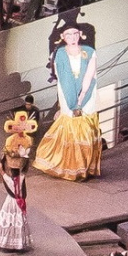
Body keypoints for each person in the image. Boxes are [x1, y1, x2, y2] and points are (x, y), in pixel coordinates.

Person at [34, 19, 101, 181]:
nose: (72, 37)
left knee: (85, 128)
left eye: (75, 33)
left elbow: (89, 76)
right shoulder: (60, 54)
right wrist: (72, 101)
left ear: (80, 35)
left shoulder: (89, 51)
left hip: (88, 93)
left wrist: (81, 97)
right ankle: (68, 167)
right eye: (68, 34)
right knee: (70, 126)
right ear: (63, 37)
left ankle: (84, 168)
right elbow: (61, 77)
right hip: (66, 92)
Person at [0, 112, 36, 252]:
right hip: (18, 201)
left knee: (9, 221)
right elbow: (24, 190)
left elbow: (2, 171)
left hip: (12, 201)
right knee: (17, 221)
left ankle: (9, 241)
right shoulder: (21, 178)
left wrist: (2, 164)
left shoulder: (9, 178)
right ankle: (16, 242)